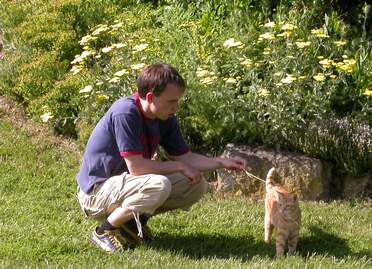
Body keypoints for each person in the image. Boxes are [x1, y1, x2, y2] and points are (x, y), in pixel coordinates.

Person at [76, 62, 246, 253]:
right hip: (95, 193)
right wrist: (178, 167)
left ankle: (132, 223)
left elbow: (185, 157)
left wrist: (221, 162)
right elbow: (137, 168)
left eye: (178, 101)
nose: (176, 106)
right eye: (171, 101)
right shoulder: (125, 113)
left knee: (196, 184)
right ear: (150, 97)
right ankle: (105, 230)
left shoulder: (165, 116)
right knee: (159, 185)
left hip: (125, 186)